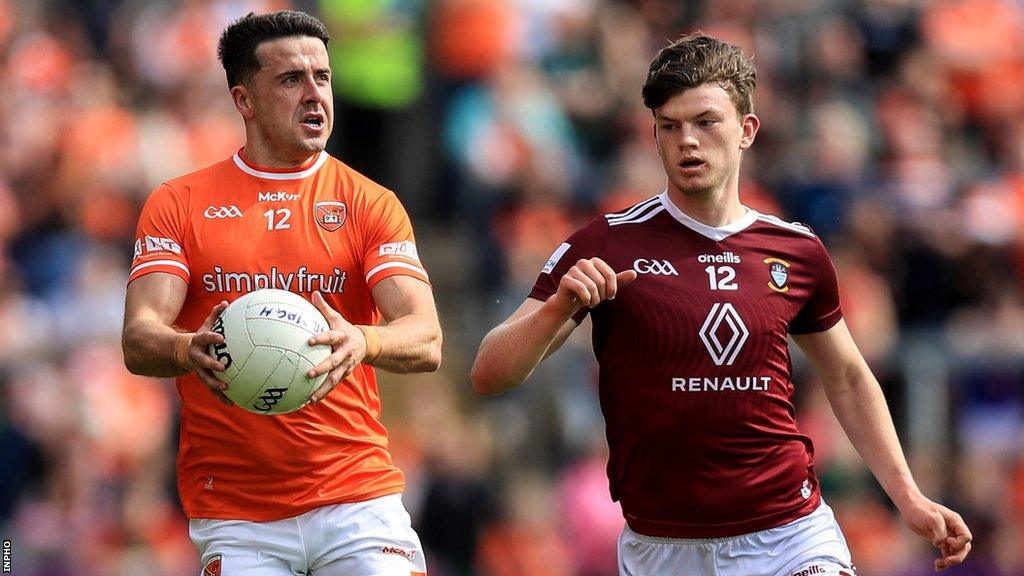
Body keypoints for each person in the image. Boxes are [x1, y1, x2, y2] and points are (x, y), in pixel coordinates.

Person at [470, 33, 971, 575]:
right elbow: (489, 374)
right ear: (654, 137)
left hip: (790, 534)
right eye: (670, 126)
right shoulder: (605, 243)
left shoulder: (795, 251)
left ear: (746, 131)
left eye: (706, 122)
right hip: (663, 546)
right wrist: (555, 311)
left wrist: (909, 498)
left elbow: (848, 376)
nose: (688, 141)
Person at [121, 10, 440, 576]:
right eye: (292, 80)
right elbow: (140, 335)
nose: (315, 94)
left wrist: (362, 340)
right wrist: (182, 349)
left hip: (356, 498)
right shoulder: (179, 204)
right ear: (243, 100)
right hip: (237, 514)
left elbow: (425, 336)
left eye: (323, 77)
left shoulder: (371, 203)